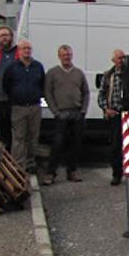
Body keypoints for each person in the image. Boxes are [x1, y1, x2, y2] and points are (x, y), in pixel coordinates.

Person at [42, 44, 90, 185]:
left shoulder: (78, 73)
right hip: (61, 114)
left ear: (72, 55)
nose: (66, 57)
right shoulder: (52, 73)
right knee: (57, 144)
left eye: (68, 54)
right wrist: (55, 111)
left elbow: (86, 92)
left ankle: (72, 171)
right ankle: (51, 173)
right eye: (64, 55)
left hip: (77, 114)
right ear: (59, 56)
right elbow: (47, 93)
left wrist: (83, 110)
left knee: (75, 145)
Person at [98, 49, 129, 186]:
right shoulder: (108, 76)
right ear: (113, 60)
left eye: (123, 58)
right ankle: (116, 174)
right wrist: (106, 109)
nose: (121, 60)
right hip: (115, 116)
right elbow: (101, 95)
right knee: (115, 146)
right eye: (119, 58)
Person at [2, 40, 45, 174]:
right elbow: (6, 85)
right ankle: (18, 165)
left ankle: (31, 162)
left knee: (33, 137)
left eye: (29, 48)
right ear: (19, 51)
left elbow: (42, 84)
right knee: (19, 138)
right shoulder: (12, 68)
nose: (27, 51)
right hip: (18, 107)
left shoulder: (38, 66)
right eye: (24, 48)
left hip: (34, 107)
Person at [0, 26, 18, 148]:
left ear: (11, 36)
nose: (4, 38)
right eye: (1, 36)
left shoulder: (18, 53)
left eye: (6, 35)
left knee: (17, 133)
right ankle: (5, 160)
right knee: (2, 133)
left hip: (14, 100)